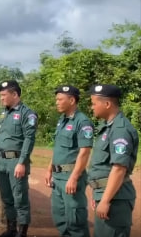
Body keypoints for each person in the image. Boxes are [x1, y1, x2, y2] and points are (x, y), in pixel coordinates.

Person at [87, 84, 138, 237]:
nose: (92, 107)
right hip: (107, 194)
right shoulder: (108, 127)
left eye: (94, 103)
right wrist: (99, 195)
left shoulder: (120, 129)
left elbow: (119, 168)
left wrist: (105, 200)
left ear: (107, 104)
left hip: (115, 198)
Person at [0, 80, 37, 237]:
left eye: (3, 95)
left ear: (15, 94)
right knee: (7, 197)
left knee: (20, 198)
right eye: (0, 95)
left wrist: (22, 162)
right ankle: (11, 229)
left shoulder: (27, 114)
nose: (1, 98)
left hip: (16, 161)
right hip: (2, 162)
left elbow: (29, 139)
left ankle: (22, 233)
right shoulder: (4, 114)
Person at [44, 85, 93, 237]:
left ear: (71, 100)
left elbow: (84, 152)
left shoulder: (82, 122)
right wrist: (49, 169)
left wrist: (73, 177)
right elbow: (59, 148)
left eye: (60, 99)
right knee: (61, 218)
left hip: (70, 177)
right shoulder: (62, 120)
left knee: (75, 220)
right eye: (56, 99)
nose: (56, 102)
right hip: (58, 177)